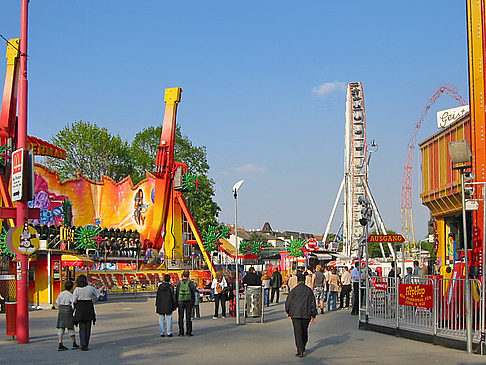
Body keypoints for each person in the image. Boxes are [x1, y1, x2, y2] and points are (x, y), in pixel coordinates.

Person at [285, 272, 317, 358]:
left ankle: (300, 350)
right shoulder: (309, 291)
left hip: (295, 314)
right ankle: (303, 345)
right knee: (304, 330)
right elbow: (312, 303)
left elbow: (288, 302)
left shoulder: (293, 290)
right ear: (305, 280)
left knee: (297, 332)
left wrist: (288, 312)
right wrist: (313, 315)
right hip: (306, 314)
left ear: (297, 280)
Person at [73, 275, 99, 351]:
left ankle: (83, 344)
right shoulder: (90, 288)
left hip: (80, 307)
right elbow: (97, 296)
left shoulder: (77, 289)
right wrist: (93, 300)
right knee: (88, 327)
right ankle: (86, 344)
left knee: (82, 327)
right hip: (88, 307)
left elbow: (74, 300)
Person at [55, 280, 79, 351]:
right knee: (70, 327)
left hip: (61, 311)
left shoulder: (60, 294)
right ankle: (74, 343)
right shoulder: (71, 295)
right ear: (71, 287)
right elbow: (73, 304)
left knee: (61, 328)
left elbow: (58, 304)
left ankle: (60, 344)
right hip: (68, 310)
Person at [176, 270, 197, 336]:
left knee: (180, 317)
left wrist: (177, 301)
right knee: (188, 317)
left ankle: (181, 332)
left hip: (180, 301)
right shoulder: (191, 283)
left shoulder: (179, 283)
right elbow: (193, 293)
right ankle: (189, 332)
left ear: (182, 275)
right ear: (188, 275)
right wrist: (193, 301)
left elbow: (176, 293)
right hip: (189, 301)